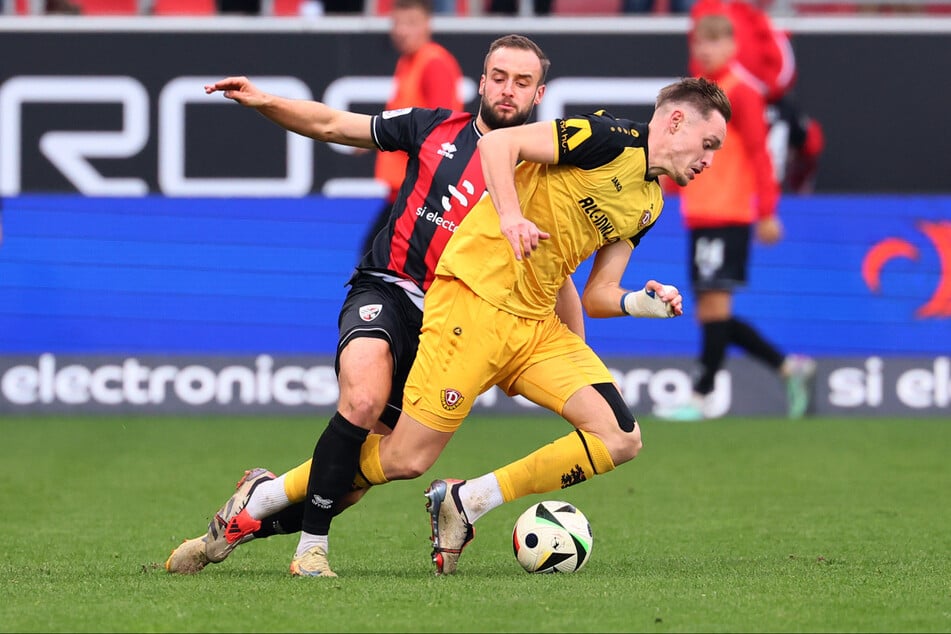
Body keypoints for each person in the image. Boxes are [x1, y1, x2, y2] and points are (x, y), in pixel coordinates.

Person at [166, 34, 581, 577]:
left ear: (539, 93)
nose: (508, 90)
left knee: (372, 474)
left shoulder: (540, 181)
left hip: (449, 328)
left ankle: (250, 511)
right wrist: (264, 100)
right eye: (499, 77)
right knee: (361, 402)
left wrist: (573, 356)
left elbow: (560, 275)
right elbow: (335, 125)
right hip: (385, 288)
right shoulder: (433, 128)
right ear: (481, 82)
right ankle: (311, 550)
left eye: (521, 82)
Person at [656, 14, 815, 423]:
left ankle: (702, 394)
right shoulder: (696, 95)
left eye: (713, 42)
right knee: (711, 309)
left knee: (714, 305)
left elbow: (761, 153)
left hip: (729, 212)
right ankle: (787, 366)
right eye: (699, 43)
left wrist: (767, 211)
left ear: (731, 46)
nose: (705, 50)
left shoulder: (741, 92)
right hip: (701, 213)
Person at [359, 0, 464, 259]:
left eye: (411, 23)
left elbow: (444, 129)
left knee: (375, 258)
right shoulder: (408, 63)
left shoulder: (433, 63)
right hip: (406, 189)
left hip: (418, 191)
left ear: (428, 24)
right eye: (397, 24)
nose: (402, 31)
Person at [688, 0, 824, 192]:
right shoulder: (707, 12)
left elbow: (784, 66)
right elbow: (701, 58)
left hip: (765, 99)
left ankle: (785, 185)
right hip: (723, 95)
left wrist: (759, 90)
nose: (705, 48)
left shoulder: (758, 19)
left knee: (799, 136)